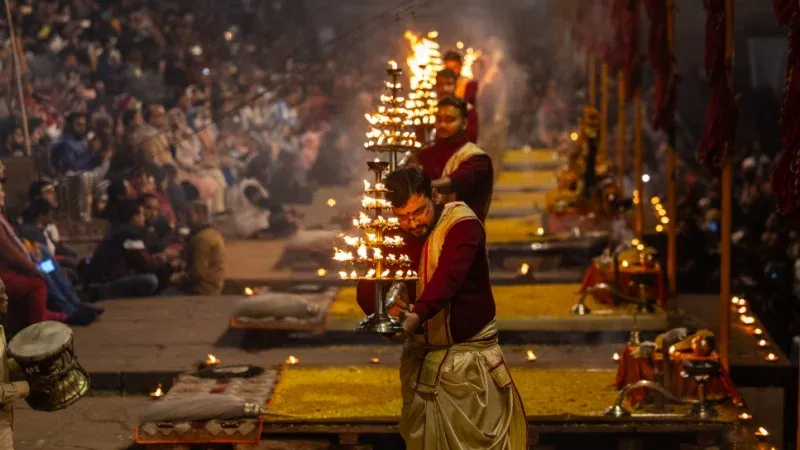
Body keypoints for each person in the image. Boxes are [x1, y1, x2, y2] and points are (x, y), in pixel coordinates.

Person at [359, 167, 526, 449]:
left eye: (419, 211)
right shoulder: (392, 235)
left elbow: (449, 279)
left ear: (434, 196)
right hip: (421, 358)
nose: (412, 223)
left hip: (467, 363)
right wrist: (386, 315)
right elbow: (368, 287)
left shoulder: (462, 225)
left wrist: (415, 317)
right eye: (402, 216)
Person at [414, 97, 494, 222]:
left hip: (464, 231)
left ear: (464, 123)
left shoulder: (476, 158)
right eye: (438, 119)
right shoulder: (426, 154)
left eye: (450, 119)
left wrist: (419, 186)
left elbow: (456, 181)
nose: (442, 125)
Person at [86, 199, 172, 299]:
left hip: (104, 277)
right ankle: (105, 292)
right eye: (142, 214)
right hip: (109, 280)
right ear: (134, 217)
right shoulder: (130, 234)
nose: (143, 218)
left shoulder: (116, 230)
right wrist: (163, 258)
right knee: (150, 280)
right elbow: (146, 264)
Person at [0, 277, 32, 448]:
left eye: (4, 292)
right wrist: (26, 387)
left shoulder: (0, 330)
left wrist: (23, 364)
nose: (5, 298)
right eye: (0, 294)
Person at [172, 201, 225, 295]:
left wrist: (175, 280)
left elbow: (197, 274)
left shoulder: (202, 239)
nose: (186, 219)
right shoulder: (213, 233)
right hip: (213, 286)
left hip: (201, 289)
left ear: (201, 215)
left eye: (189, 215)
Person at [435, 69, 479, 143]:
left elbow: (470, 140)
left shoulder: (467, 110)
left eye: (449, 84)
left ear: (455, 86)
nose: (444, 88)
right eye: (440, 84)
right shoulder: (433, 109)